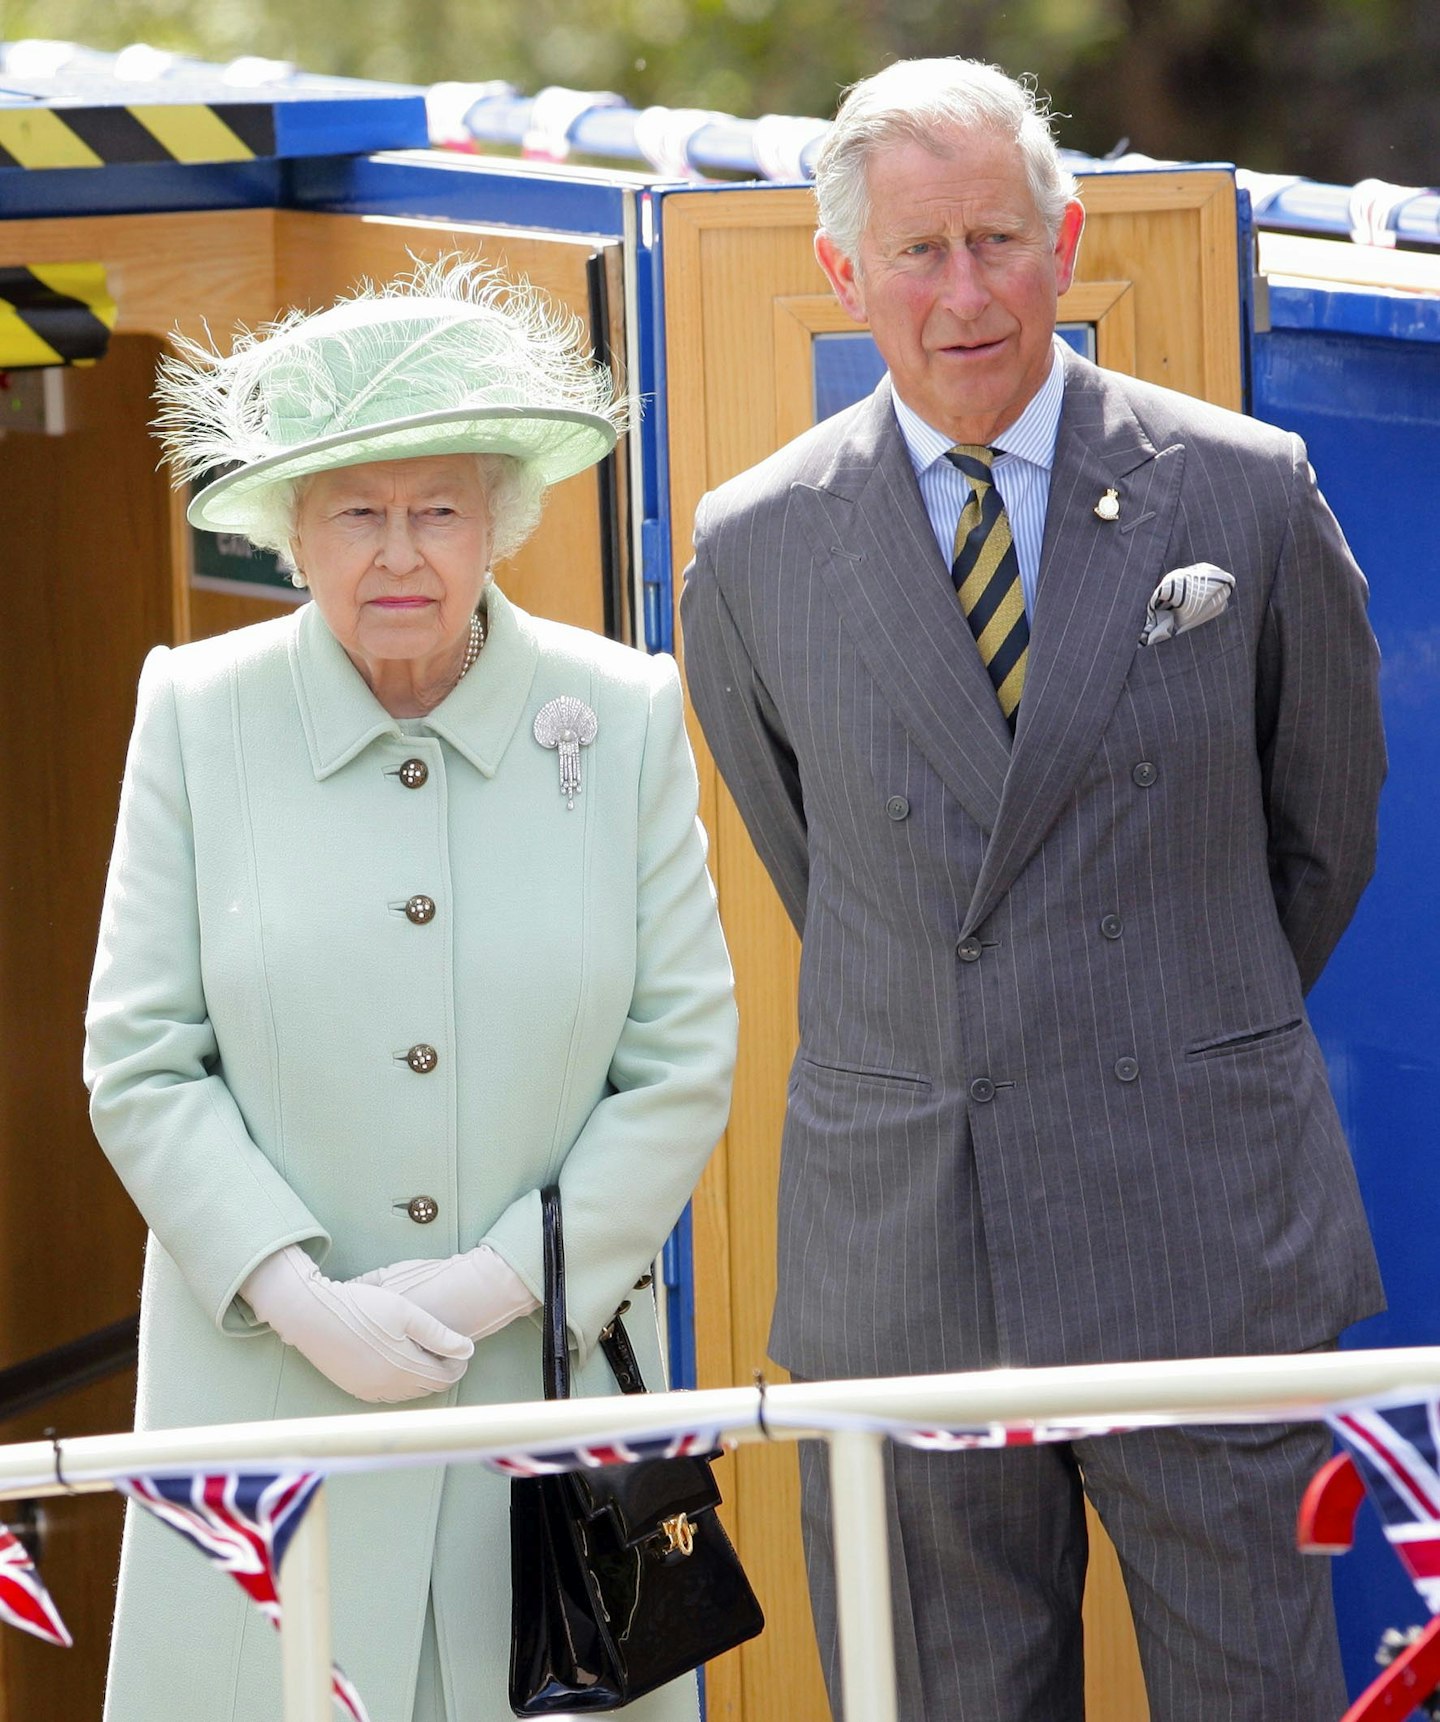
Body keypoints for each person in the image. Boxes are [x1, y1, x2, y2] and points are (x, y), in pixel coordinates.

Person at [680, 55, 1385, 1722]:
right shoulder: (753, 543)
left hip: (1206, 1233)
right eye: (919, 253)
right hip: (912, 1251)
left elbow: (1322, 832)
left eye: (998, 238)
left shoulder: (1248, 492)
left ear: (1066, 238)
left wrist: (1163, 1018)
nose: (967, 290)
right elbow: (823, 867)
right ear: (844, 276)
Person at [84, 259, 737, 1722]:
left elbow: (683, 1052)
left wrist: (500, 1276)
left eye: (439, 509)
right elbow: (140, 1057)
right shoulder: (195, 716)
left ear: (500, 523)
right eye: (356, 511)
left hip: (542, 1403)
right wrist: (296, 1293)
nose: (400, 552)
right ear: (290, 533)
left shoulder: (621, 714)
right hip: (269, 1419)